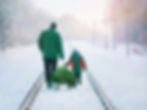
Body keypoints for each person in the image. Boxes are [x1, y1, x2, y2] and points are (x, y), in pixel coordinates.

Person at [38, 22, 64, 86]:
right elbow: (59, 45)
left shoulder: (44, 33)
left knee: (46, 68)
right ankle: (52, 81)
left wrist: (42, 49)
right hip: (54, 55)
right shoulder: (56, 34)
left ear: (50, 26)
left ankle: (48, 82)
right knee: (53, 68)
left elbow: (39, 41)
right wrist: (61, 54)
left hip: (46, 55)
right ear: (55, 27)